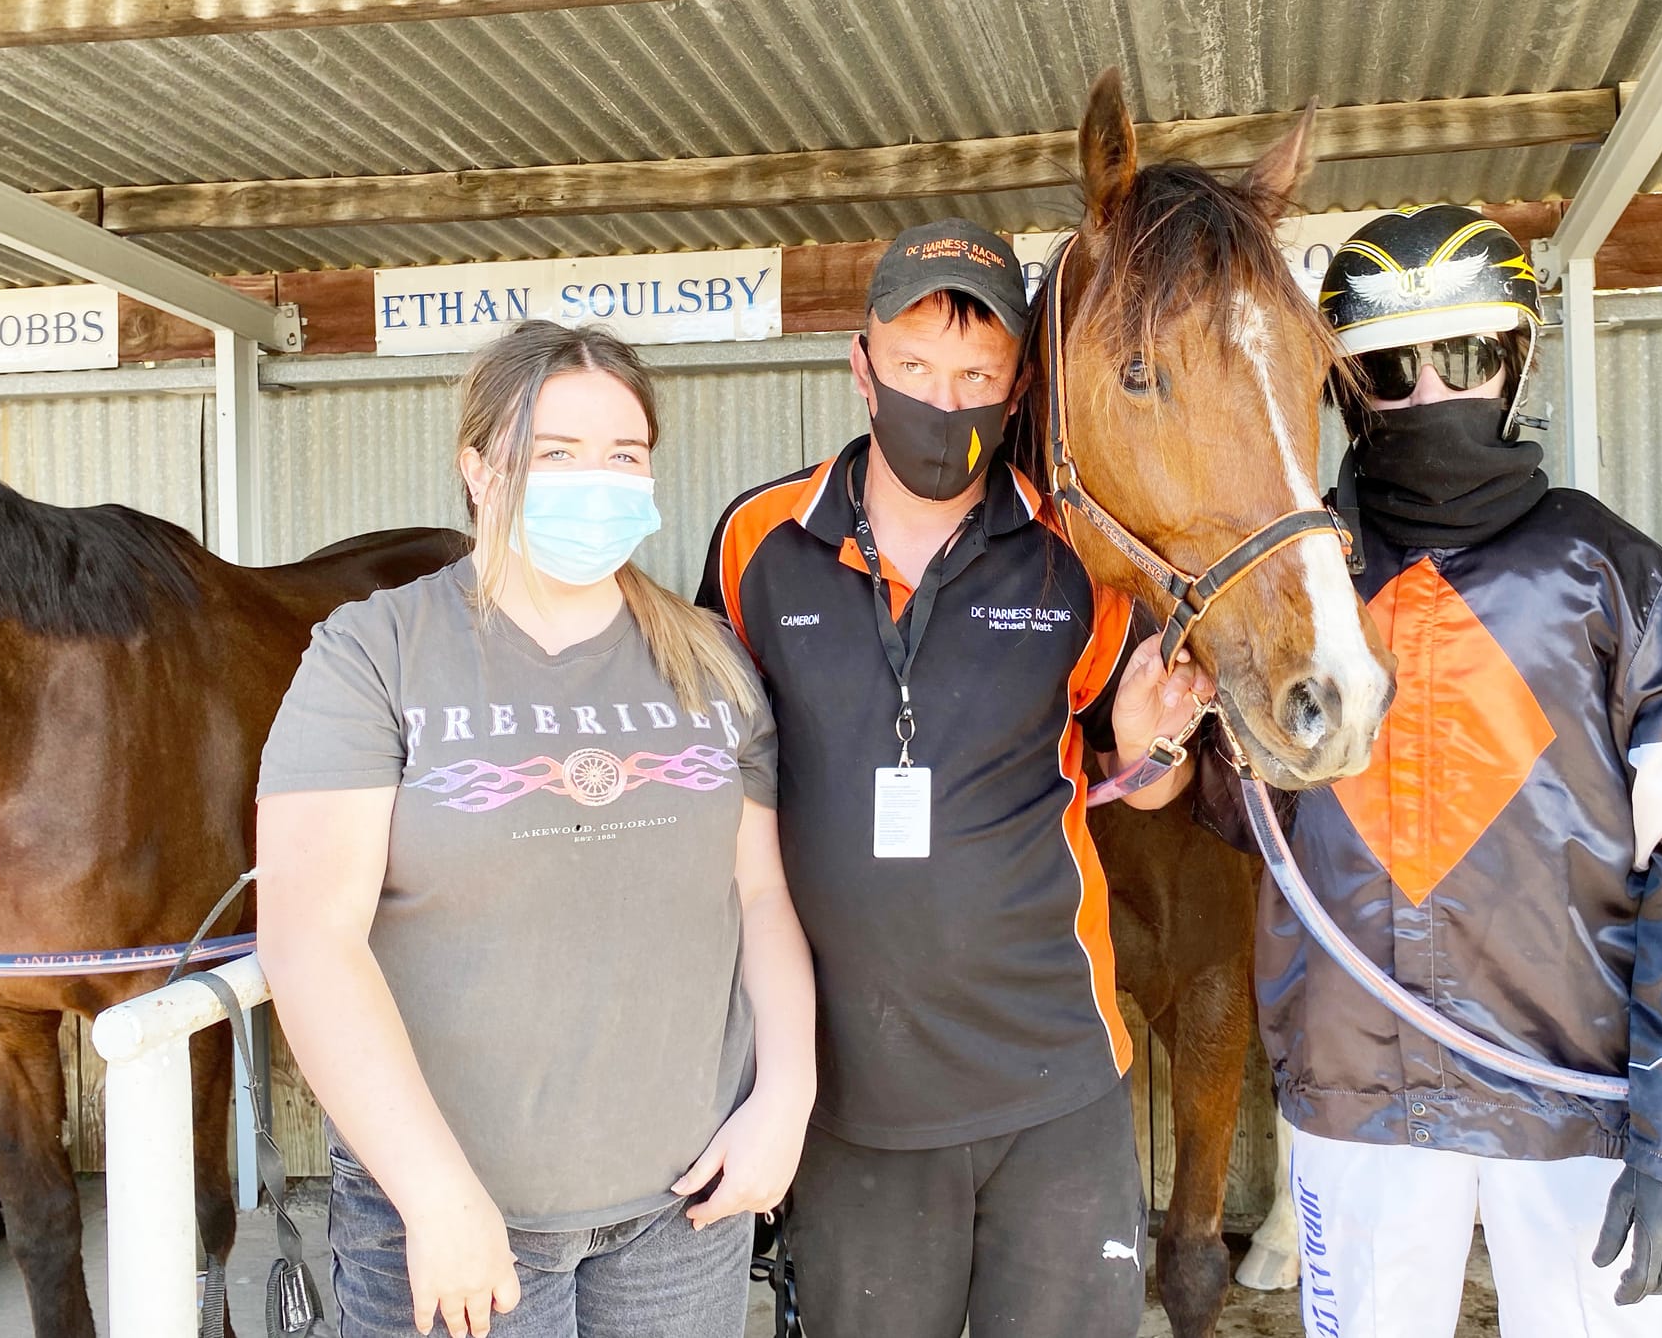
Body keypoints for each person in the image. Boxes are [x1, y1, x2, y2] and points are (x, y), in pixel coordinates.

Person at [1200, 205, 1662, 1338]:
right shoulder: (1289, 591)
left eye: (1465, 355)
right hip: (1357, 1105)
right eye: (1389, 369)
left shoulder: (1615, 575)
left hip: (1582, 1111)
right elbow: (1249, 816)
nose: (1431, 391)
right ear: (1348, 392)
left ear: (1514, 362)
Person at [698, 218, 1212, 1338]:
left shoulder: (1077, 556)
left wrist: (1149, 743)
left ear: (1017, 386)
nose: (944, 401)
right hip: (848, 1088)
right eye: (915, 367)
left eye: (977, 377)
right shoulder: (757, 544)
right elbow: (713, 792)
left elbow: (1147, 788)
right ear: (861, 364)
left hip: (1054, 1074)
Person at [257, 320, 814, 1338]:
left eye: (624, 455)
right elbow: (309, 943)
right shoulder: (373, 654)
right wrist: (434, 1194)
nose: (595, 480)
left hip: (683, 1207)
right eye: (556, 453)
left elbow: (763, 896)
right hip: (450, 1212)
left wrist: (786, 1095)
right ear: (479, 468)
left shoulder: (711, 661)